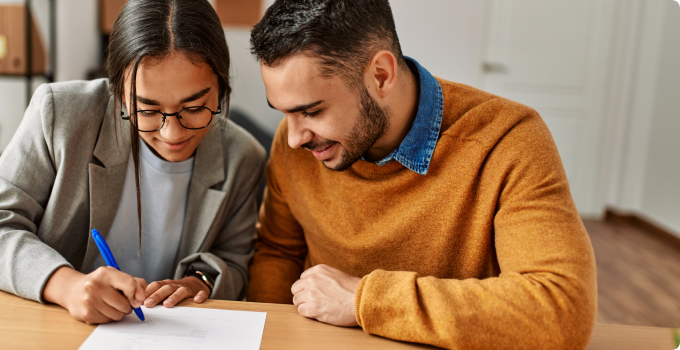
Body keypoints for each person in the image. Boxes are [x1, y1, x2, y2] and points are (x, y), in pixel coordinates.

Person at [246, 0, 596, 349]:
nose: (293, 138)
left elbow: (561, 310)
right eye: (284, 113)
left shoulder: (507, 139)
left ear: (381, 75)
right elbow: (278, 252)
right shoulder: (300, 145)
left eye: (312, 111)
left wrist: (363, 301)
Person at [0, 0, 265, 325]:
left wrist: (198, 283)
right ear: (118, 91)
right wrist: (66, 285)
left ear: (222, 87)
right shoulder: (60, 115)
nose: (172, 132)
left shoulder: (242, 157)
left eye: (194, 107)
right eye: (147, 110)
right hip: (41, 326)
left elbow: (233, 262)